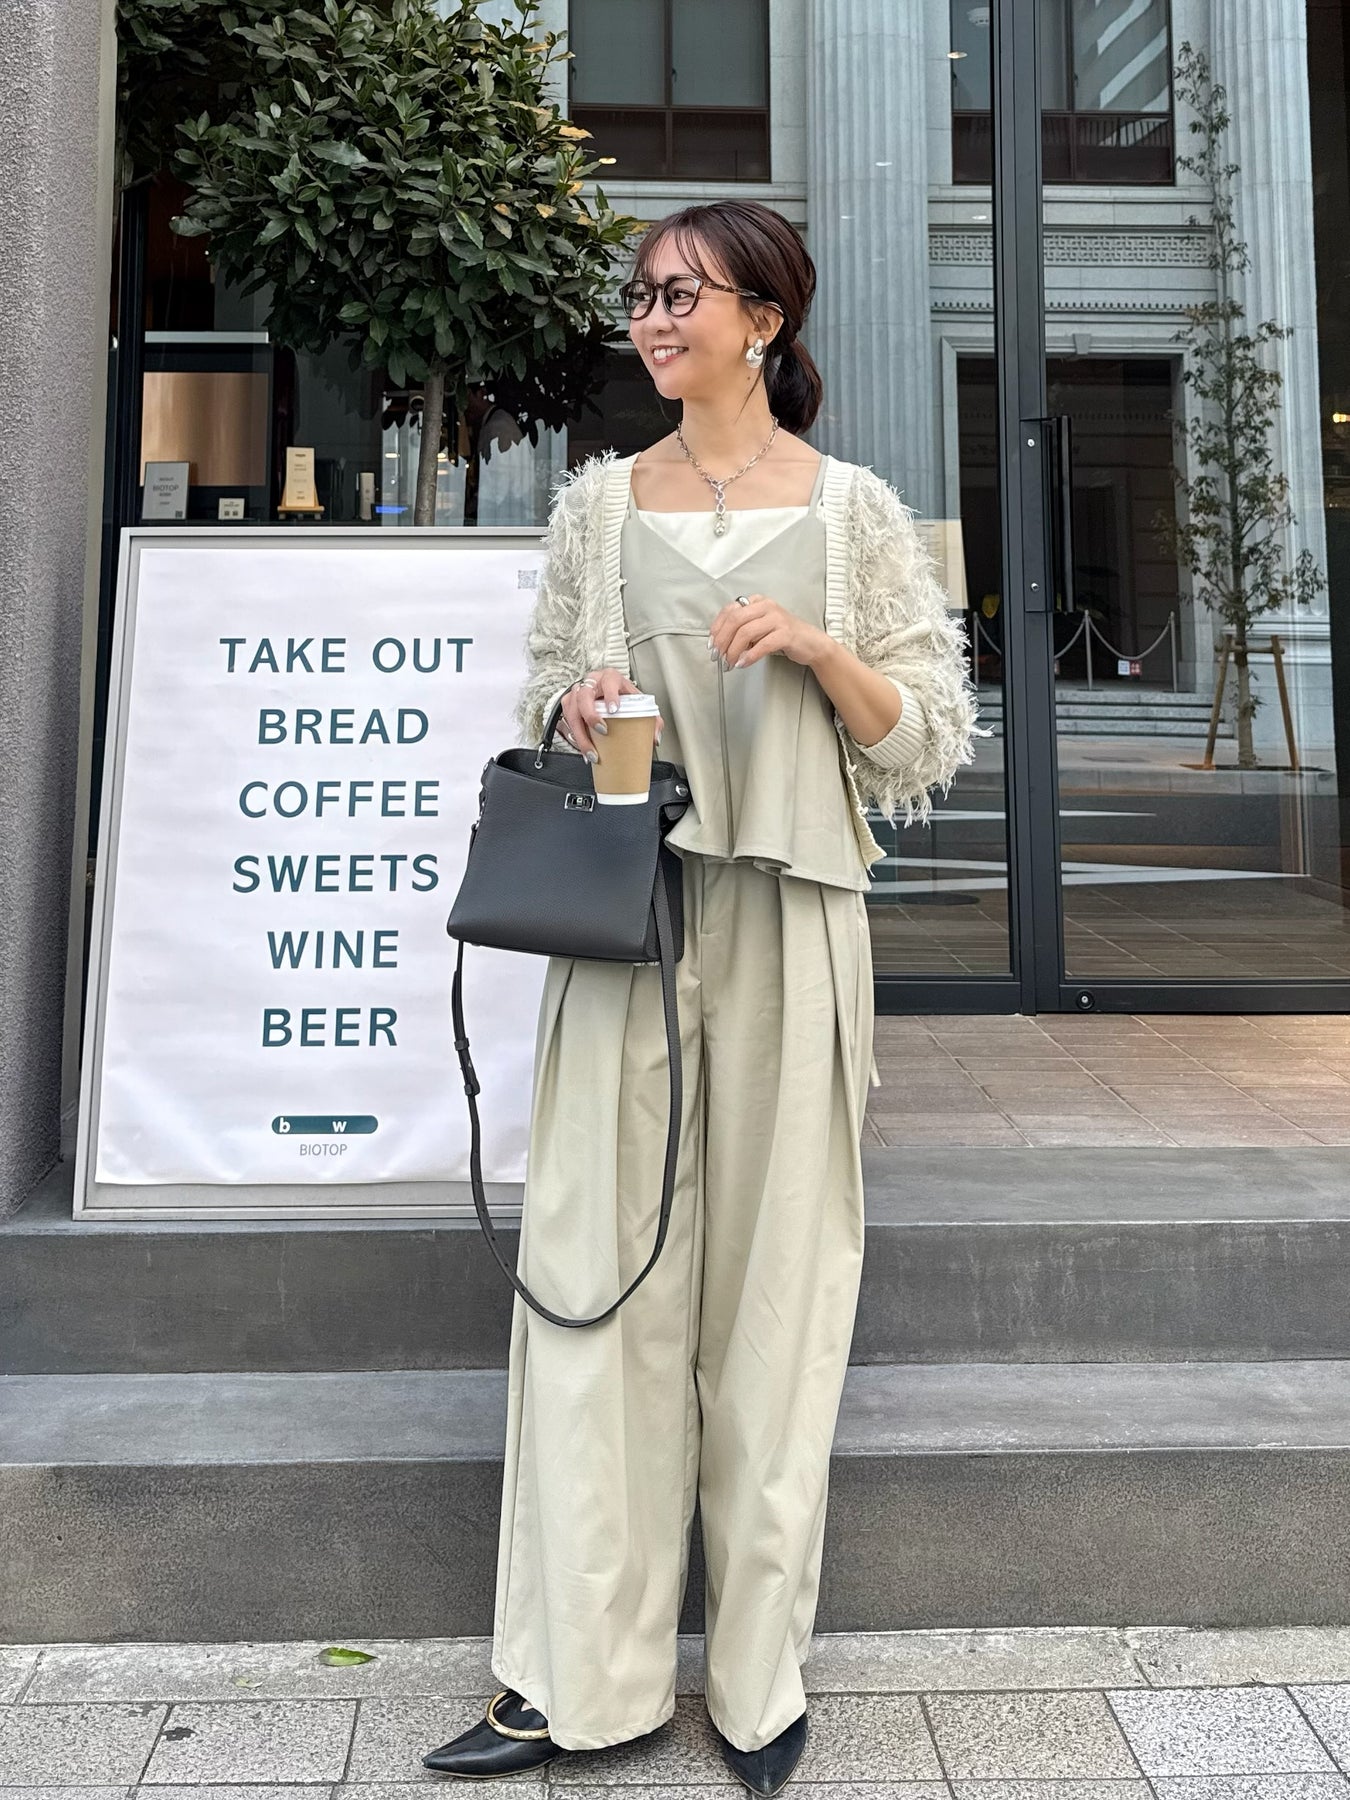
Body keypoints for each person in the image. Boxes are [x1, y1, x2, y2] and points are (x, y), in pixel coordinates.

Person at [422, 199, 979, 1796]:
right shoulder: (597, 507)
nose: (655, 318)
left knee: (777, 1301)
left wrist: (813, 647)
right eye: (644, 295)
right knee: (593, 1280)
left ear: (763, 322)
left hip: (794, 922)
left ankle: (754, 1681)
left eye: (685, 295)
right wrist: (580, 699)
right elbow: (550, 688)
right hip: (627, 926)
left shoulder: (852, 508)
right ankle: (567, 1682)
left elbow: (924, 736)